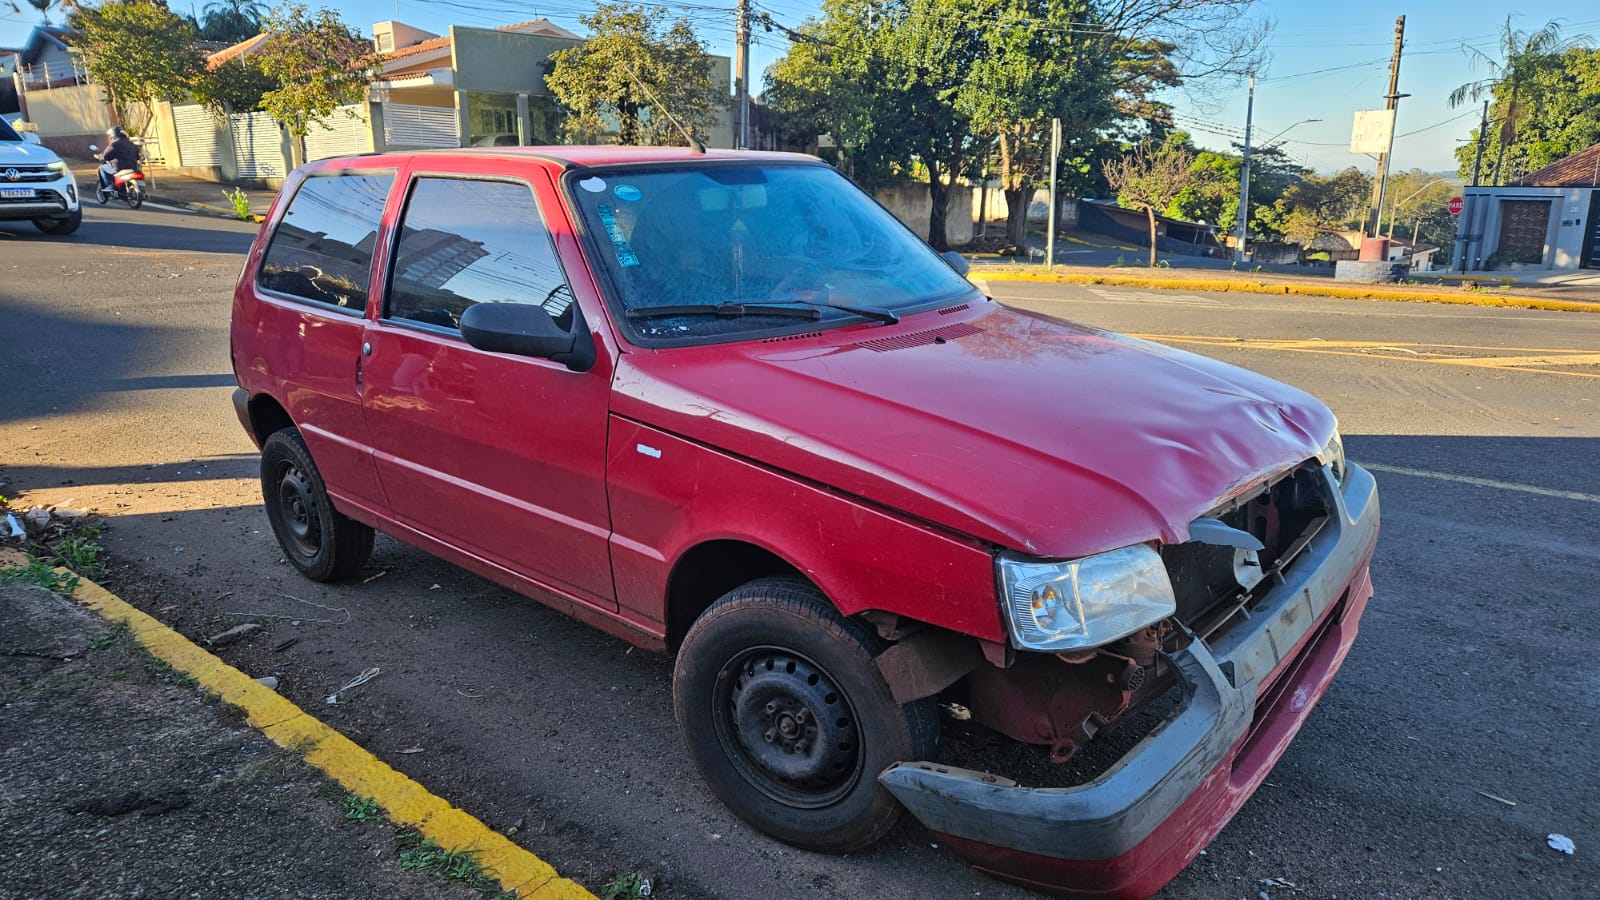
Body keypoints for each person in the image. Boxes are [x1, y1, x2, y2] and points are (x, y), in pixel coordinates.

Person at [97, 126, 140, 194]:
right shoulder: (131, 143)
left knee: (102, 168)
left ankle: (110, 186)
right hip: (133, 166)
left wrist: (99, 156)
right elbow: (137, 156)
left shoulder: (114, 144)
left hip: (119, 167)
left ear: (113, 135)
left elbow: (105, 155)